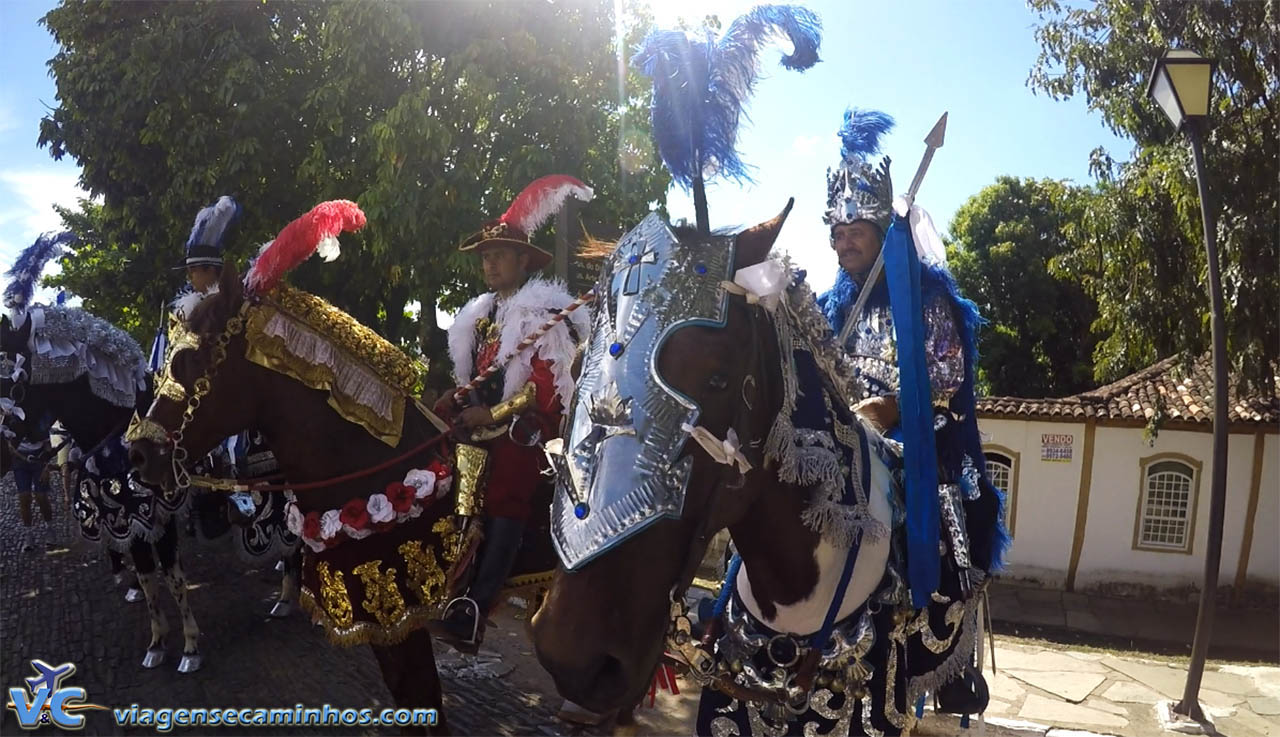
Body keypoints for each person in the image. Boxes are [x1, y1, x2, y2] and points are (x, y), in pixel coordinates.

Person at [816, 108, 1007, 715]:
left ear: (881, 233)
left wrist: (894, 408)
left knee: (959, 513)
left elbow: (949, 380)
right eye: (837, 233)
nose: (846, 243)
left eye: (857, 232)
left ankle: (932, 647)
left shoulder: (928, 298)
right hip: (843, 430)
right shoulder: (828, 305)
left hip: (919, 435)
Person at [429, 175, 593, 653]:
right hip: (482, 424)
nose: (491, 263)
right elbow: (477, 377)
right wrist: (457, 401)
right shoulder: (478, 315)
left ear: (524, 261)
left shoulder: (544, 311)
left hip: (525, 427)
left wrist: (492, 416)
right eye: (486, 256)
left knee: (508, 481)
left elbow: (545, 388)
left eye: (500, 255)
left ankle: (474, 610)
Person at [12, 428, 57, 551]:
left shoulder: (38, 419)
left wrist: (46, 467)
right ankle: (28, 535)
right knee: (24, 498)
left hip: (39, 459)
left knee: (41, 497)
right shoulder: (13, 420)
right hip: (19, 461)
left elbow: (48, 445)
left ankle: (50, 529)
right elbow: (8, 445)